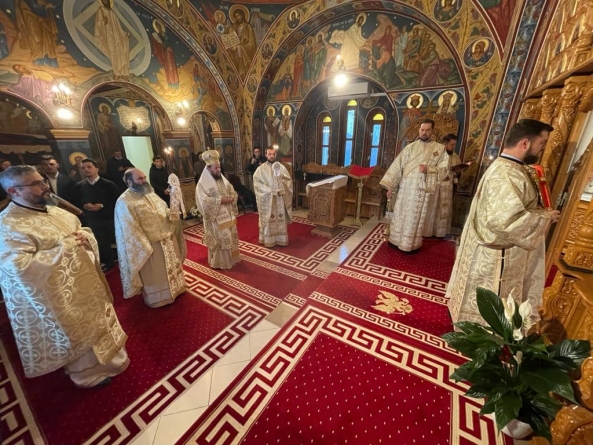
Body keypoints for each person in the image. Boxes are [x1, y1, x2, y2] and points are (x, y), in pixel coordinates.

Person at [0, 165, 129, 388]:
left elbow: (81, 230)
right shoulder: (8, 225)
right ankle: (87, 375)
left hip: (86, 282)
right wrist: (67, 248)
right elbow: (17, 269)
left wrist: (85, 237)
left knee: (99, 320)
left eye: (43, 181)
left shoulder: (55, 209)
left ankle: (114, 359)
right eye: (36, 183)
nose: (44, 186)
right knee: (77, 330)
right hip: (59, 296)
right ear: (14, 191)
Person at [446, 119, 561, 326]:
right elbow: (505, 221)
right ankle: (482, 331)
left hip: (485, 247)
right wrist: (545, 218)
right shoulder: (507, 174)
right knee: (491, 302)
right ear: (525, 143)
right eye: (541, 143)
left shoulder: (506, 167)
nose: (542, 149)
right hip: (496, 254)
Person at [115, 168, 187, 308]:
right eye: (140, 179)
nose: (144, 181)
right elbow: (129, 229)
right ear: (129, 182)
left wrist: (171, 211)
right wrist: (145, 247)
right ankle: (160, 298)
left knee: (171, 268)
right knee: (156, 274)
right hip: (149, 245)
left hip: (167, 239)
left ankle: (177, 288)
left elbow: (161, 210)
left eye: (144, 177)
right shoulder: (124, 202)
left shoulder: (150, 193)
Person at [380, 119, 450, 252]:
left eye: (427, 130)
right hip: (405, 190)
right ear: (419, 130)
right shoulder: (410, 148)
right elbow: (397, 166)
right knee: (400, 214)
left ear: (432, 131)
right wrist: (391, 186)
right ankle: (395, 240)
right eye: (422, 130)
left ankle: (410, 245)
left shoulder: (439, 149)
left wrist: (429, 169)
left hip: (421, 191)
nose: (424, 133)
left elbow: (444, 169)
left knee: (414, 218)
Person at [195, 150, 240, 269]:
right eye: (216, 168)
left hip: (228, 216)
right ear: (208, 168)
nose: (218, 170)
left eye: (219, 167)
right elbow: (203, 201)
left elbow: (231, 190)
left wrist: (232, 197)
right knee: (222, 238)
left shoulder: (221, 179)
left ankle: (232, 259)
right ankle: (222, 262)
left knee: (230, 236)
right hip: (215, 219)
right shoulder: (202, 184)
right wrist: (220, 200)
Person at [73, 159, 120, 271]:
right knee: (98, 242)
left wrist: (102, 206)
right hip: (91, 220)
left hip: (108, 219)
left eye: (89, 167)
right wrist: (84, 206)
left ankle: (114, 262)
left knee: (110, 242)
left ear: (97, 168)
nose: (86, 170)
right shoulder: (79, 186)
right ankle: (104, 263)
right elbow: (75, 203)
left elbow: (117, 202)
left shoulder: (109, 184)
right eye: (83, 168)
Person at [422, 134, 466, 238]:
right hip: (436, 186)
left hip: (448, 187)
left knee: (443, 210)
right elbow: (428, 169)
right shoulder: (435, 154)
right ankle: (427, 231)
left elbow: (457, 173)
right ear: (444, 144)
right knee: (432, 209)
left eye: (454, 145)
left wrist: (458, 171)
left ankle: (440, 232)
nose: (453, 147)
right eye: (451, 145)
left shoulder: (455, 157)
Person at [253, 147, 293, 247]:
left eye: (273, 154)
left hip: (279, 198)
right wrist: (269, 190)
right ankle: (268, 240)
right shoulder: (261, 169)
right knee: (269, 219)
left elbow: (288, 180)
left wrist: (280, 186)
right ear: (266, 155)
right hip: (268, 199)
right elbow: (257, 183)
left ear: (275, 155)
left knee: (280, 218)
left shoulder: (281, 167)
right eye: (269, 154)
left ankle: (281, 239)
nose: (271, 156)